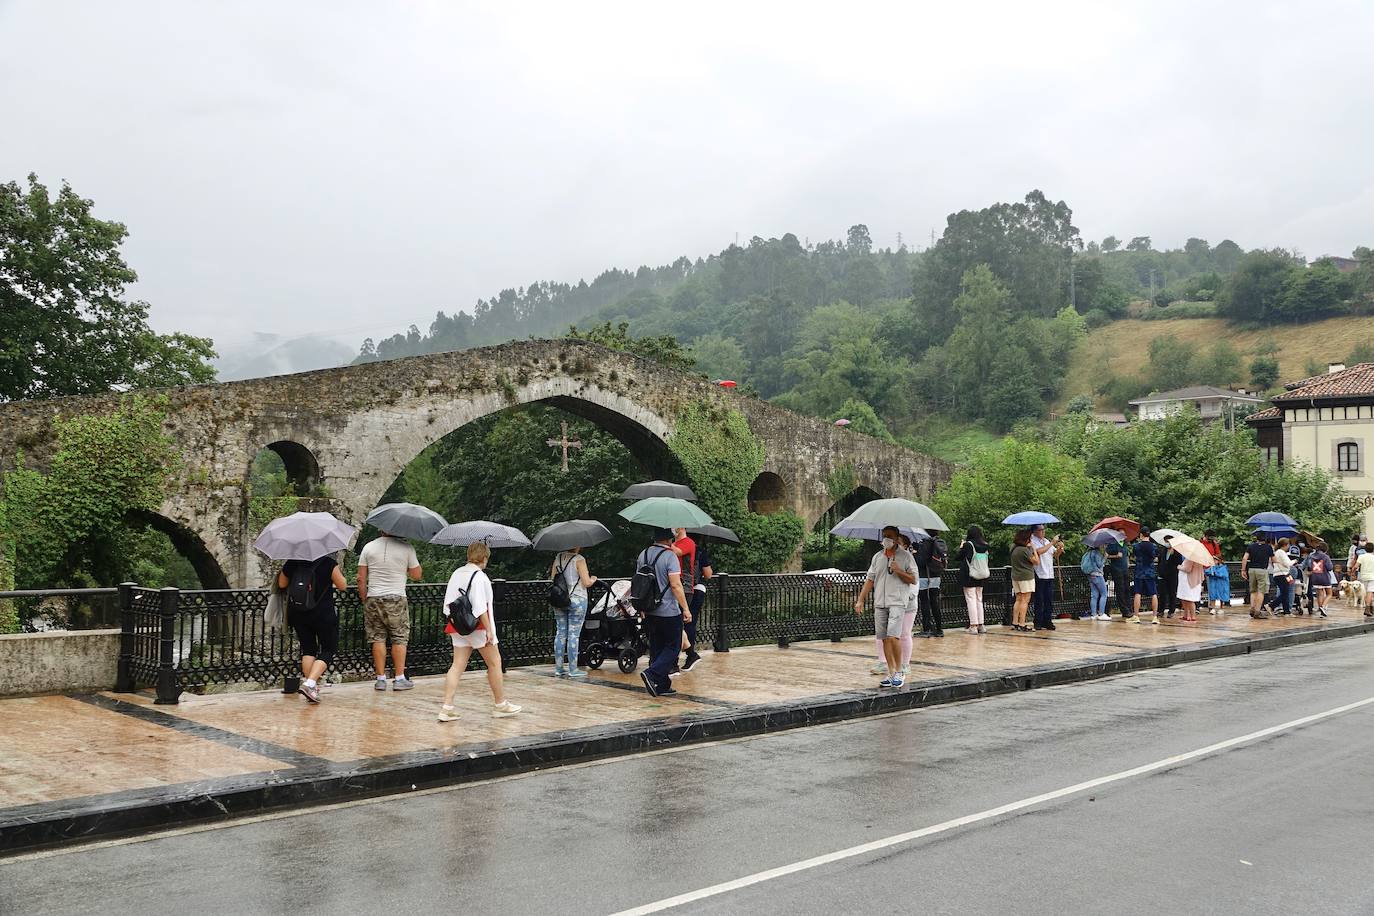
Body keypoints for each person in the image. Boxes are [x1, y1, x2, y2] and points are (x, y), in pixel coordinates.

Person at [438, 541, 522, 721]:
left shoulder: (456, 573)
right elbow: (480, 608)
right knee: (494, 663)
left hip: (458, 626)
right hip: (478, 627)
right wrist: (490, 630)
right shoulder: (480, 577)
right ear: (484, 557)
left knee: (457, 665)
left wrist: (455, 621)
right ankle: (500, 704)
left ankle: (447, 707)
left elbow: (447, 605)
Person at [356, 531, 422, 691]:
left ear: (380, 529)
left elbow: (361, 577)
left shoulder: (368, 547)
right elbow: (417, 575)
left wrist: (364, 596)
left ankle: (380, 679)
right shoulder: (407, 548)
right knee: (399, 637)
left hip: (374, 598)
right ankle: (399, 678)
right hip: (396, 598)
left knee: (377, 638)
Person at [278, 553, 348, 703]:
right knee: (328, 649)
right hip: (323, 613)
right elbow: (343, 586)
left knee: (308, 649)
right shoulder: (328, 563)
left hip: (299, 613)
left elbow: (282, 584)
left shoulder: (292, 562)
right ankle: (310, 684)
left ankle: (311, 686)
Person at [854, 526, 917, 687]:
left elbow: (913, 579)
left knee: (893, 637)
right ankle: (890, 672)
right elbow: (870, 579)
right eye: (884, 536)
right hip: (880, 602)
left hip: (897, 601)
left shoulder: (906, 557)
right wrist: (861, 599)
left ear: (897, 538)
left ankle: (899, 670)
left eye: (889, 536)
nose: (886, 539)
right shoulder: (878, 557)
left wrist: (898, 570)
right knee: (883, 638)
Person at [638, 529, 692, 697]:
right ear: (669, 539)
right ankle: (652, 674)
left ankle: (661, 685)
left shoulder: (643, 555)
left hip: (650, 610)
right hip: (668, 610)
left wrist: (641, 607)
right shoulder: (670, 556)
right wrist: (685, 608)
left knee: (657, 646)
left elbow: (639, 584)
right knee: (673, 647)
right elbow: (676, 585)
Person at [550, 545, 598, 678]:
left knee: (560, 633)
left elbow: (552, 578)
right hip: (577, 599)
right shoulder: (579, 559)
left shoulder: (558, 557)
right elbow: (586, 582)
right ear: (577, 545)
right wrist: (593, 579)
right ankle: (573, 669)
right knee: (573, 635)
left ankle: (559, 668)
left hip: (560, 599)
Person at [670, 527, 703, 672]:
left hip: (685, 586)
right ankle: (690, 654)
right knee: (676, 625)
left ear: (682, 527)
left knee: (677, 624)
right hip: (674, 584)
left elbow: (678, 553)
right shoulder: (674, 542)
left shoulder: (688, 542)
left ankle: (674, 662)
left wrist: (664, 543)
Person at [957, 525, 990, 634]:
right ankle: (981, 625)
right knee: (979, 599)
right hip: (981, 575)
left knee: (971, 599)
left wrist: (962, 546)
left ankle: (973, 625)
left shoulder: (968, 545)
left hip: (969, 575)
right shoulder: (985, 545)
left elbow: (958, 557)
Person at [1029, 525, 1063, 630]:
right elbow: (1039, 552)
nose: (1043, 532)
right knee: (1039, 599)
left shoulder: (1046, 541)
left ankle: (1047, 620)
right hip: (1039, 573)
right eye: (1040, 530)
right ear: (1035, 531)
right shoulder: (1032, 541)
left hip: (1049, 573)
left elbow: (1054, 554)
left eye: (1044, 530)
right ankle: (1038, 621)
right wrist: (1052, 542)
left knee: (1049, 599)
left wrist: (1059, 549)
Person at [914, 532, 947, 638]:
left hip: (925, 576)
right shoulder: (938, 542)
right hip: (936, 575)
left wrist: (915, 554)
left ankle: (927, 629)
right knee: (935, 601)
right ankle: (939, 629)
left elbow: (921, 562)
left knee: (924, 602)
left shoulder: (926, 543)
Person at [1240, 533, 1275, 619]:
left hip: (1251, 570)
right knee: (1261, 591)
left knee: (1253, 590)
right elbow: (1274, 560)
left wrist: (1243, 570)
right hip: (1262, 570)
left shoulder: (1251, 546)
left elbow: (1245, 558)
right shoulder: (1268, 547)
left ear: (1257, 539)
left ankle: (1252, 608)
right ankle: (1257, 611)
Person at [1008, 528, 1036, 631]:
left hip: (1015, 576)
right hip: (1026, 577)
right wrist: (1034, 549)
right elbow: (1036, 561)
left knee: (1018, 599)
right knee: (1025, 600)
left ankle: (1015, 622)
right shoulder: (1025, 550)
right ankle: (1022, 623)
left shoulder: (1013, 547)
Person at [1131, 529, 1159, 624]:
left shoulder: (1136, 546)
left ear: (1141, 535)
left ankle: (1136, 616)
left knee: (1137, 593)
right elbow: (1155, 557)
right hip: (1150, 572)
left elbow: (1135, 556)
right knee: (1153, 593)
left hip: (1139, 572)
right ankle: (1155, 617)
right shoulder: (1154, 546)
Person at [1200, 530, 1230, 615]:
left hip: (1212, 569)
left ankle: (1212, 607)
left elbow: (1218, 554)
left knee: (1213, 588)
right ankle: (1198, 606)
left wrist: (1215, 560)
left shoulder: (1214, 544)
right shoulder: (1200, 544)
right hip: (1202, 568)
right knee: (1204, 588)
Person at [1104, 536, 1130, 619]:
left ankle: (1129, 608)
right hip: (1117, 570)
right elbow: (1106, 555)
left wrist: (1127, 563)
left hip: (1125, 570)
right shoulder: (1113, 544)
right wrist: (1116, 556)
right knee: (1120, 590)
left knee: (1127, 589)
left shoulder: (1124, 545)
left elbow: (1126, 556)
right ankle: (1124, 610)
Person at [1081, 542, 1108, 620]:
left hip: (1090, 575)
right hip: (1097, 575)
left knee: (1094, 595)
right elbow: (1099, 564)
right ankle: (1101, 613)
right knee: (1104, 594)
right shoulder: (1096, 553)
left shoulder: (1087, 553)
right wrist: (1105, 557)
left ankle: (1093, 614)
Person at [1158, 536, 1182, 619]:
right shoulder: (1163, 550)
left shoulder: (1177, 551)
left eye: (1168, 541)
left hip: (1173, 575)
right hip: (1163, 575)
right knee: (1162, 594)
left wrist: (1174, 554)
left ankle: (1171, 611)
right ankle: (1161, 611)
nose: (1166, 543)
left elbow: (1179, 563)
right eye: (1165, 541)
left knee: (1172, 593)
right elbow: (1160, 561)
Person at [1308, 542, 1333, 617]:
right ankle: (1323, 607)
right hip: (1325, 577)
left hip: (1315, 577)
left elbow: (1309, 566)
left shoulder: (1312, 556)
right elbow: (1330, 567)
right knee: (1329, 593)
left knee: (1319, 594)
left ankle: (1321, 610)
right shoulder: (1325, 556)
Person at [1270, 537, 1294, 615]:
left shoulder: (1276, 552)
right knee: (1285, 594)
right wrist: (1294, 561)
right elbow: (1287, 563)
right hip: (1282, 574)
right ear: (1285, 545)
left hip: (1278, 575)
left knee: (1284, 593)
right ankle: (1271, 605)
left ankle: (1286, 611)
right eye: (1288, 544)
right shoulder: (1281, 552)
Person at [1177, 556, 1204, 622]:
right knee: (1185, 598)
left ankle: (1192, 616)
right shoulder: (1199, 559)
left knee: (1189, 599)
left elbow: (1188, 569)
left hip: (1189, 582)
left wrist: (1179, 567)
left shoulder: (1191, 558)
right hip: (1192, 581)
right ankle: (1186, 615)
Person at [1354, 546, 1374, 618]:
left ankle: (1371, 609)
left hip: (1364, 576)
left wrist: (1352, 571)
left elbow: (1356, 566)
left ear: (1365, 549)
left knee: (1368, 592)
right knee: (1370, 592)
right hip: (1372, 577)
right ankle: (1367, 608)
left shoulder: (1361, 556)